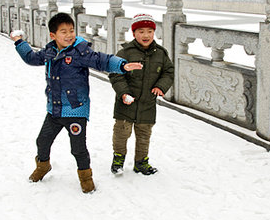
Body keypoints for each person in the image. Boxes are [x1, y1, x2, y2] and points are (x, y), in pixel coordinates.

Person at [10, 12, 142, 193]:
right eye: (63, 32)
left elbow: (100, 59)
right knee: (42, 141)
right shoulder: (49, 52)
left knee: (78, 149)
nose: (69, 35)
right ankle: (43, 166)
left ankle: (86, 178)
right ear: (53, 36)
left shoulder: (80, 52)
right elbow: (31, 58)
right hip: (55, 110)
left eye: (71, 30)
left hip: (76, 110)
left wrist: (121, 65)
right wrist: (19, 42)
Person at [108, 14, 174, 175]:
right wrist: (123, 93)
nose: (146, 35)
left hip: (147, 104)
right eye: (141, 31)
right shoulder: (125, 52)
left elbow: (169, 72)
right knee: (121, 134)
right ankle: (118, 160)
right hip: (126, 103)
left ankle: (141, 162)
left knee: (144, 135)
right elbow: (115, 74)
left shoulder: (161, 53)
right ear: (134, 33)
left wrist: (161, 86)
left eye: (150, 31)